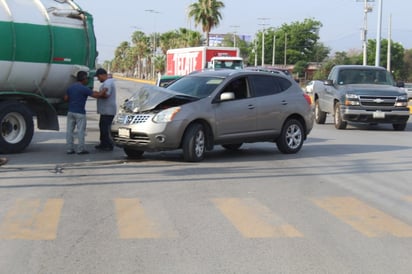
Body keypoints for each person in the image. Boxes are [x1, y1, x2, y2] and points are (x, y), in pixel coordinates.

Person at [65, 71, 102, 155]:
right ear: (84, 78)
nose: (87, 80)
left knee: (69, 131)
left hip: (70, 112)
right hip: (80, 113)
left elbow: (66, 98)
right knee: (80, 131)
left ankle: (69, 149)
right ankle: (80, 149)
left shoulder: (70, 87)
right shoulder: (84, 88)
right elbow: (96, 95)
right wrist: (103, 91)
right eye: (87, 78)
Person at [94, 68, 117, 151]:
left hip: (108, 110)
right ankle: (103, 143)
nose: (98, 79)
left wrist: (97, 95)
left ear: (102, 75)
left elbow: (106, 95)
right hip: (105, 110)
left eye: (98, 77)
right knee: (102, 126)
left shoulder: (108, 83)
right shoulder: (107, 82)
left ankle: (108, 144)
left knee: (105, 128)